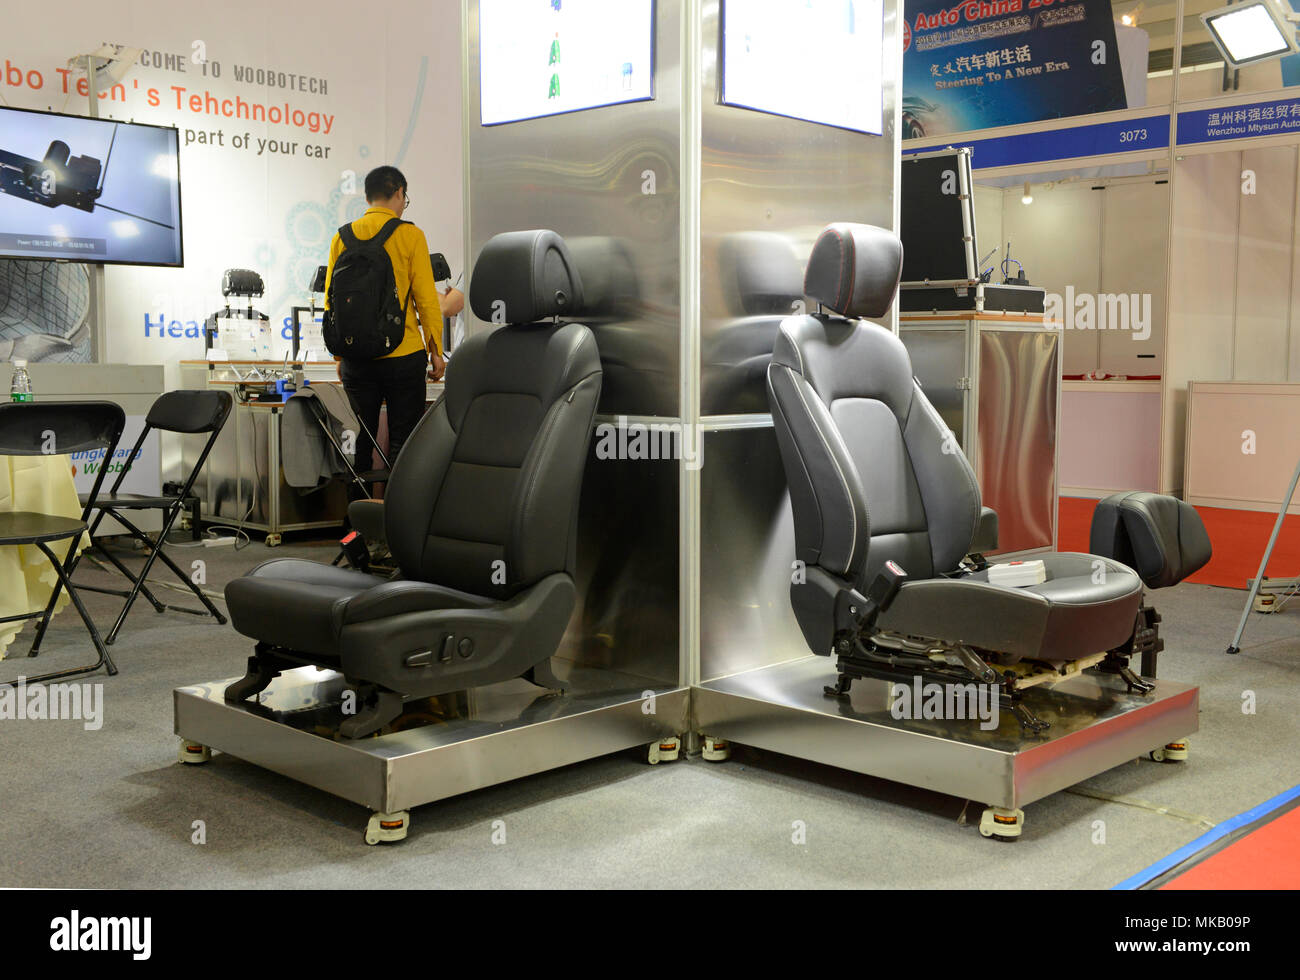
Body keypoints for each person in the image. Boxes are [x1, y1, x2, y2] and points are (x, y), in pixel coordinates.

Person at [324, 165, 459, 485]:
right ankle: (397, 525)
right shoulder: (410, 235)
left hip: (357, 359)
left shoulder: (341, 237)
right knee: (403, 444)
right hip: (403, 354)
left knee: (360, 442)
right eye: (404, 198)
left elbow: (332, 303)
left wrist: (341, 357)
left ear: (369, 196)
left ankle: (355, 527)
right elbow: (426, 300)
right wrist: (436, 351)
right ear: (398, 192)